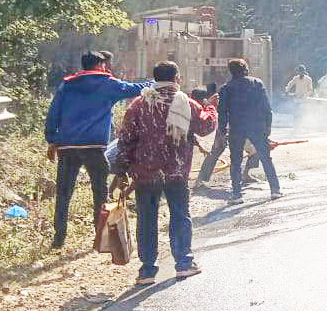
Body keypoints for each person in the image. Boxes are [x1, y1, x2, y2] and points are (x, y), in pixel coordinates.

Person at [111, 61, 216, 285]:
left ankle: (147, 270)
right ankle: (184, 264)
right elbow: (205, 127)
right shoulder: (185, 102)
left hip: (145, 172)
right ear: (177, 78)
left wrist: (120, 171)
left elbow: (126, 140)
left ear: (155, 78)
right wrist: (210, 108)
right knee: (179, 215)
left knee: (147, 219)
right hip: (176, 171)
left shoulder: (139, 104)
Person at [44, 51, 150, 251]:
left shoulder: (67, 85)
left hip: (67, 146)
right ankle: (99, 237)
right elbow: (137, 88)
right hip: (94, 147)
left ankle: (59, 239)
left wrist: (52, 140)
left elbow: (53, 113)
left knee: (63, 194)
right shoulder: (108, 84)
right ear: (100, 65)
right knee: (100, 194)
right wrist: (158, 81)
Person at [219, 58, 281, 205]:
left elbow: (222, 112)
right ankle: (275, 190)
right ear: (246, 69)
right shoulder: (257, 83)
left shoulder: (226, 88)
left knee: (235, 161)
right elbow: (266, 107)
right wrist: (268, 126)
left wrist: (222, 129)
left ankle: (236, 194)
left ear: (231, 71)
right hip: (257, 127)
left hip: (236, 128)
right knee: (266, 158)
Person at [192, 84, 260, 189]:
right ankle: (200, 180)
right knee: (216, 151)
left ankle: (245, 175)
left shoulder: (243, 99)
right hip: (226, 128)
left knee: (255, 149)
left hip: (237, 129)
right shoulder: (218, 98)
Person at [284, 64, 313, 130]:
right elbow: (290, 84)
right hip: (297, 99)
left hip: (304, 100)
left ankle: (299, 127)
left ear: (304, 72)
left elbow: (310, 90)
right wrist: (287, 91)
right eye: (299, 71)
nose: (300, 73)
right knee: (295, 113)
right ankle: (296, 127)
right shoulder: (296, 78)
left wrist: (305, 95)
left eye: (301, 71)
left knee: (301, 114)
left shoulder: (308, 79)